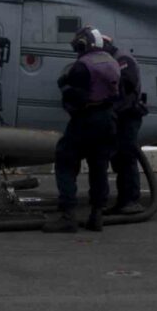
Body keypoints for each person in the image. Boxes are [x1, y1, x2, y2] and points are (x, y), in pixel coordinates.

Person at [47, 28, 121, 232]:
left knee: (65, 160)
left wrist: (64, 87)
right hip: (108, 119)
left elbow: (76, 98)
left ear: (83, 45)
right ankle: (97, 215)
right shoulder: (111, 61)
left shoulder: (82, 66)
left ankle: (68, 216)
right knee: (99, 167)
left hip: (86, 119)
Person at [101, 33, 148, 214]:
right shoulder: (113, 60)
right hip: (119, 116)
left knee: (127, 157)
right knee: (119, 159)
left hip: (128, 116)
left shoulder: (122, 59)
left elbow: (127, 84)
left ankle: (130, 200)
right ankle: (124, 201)